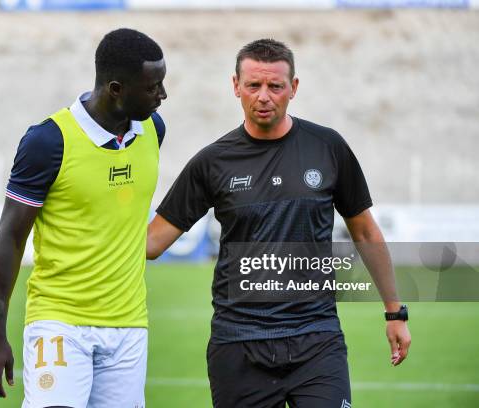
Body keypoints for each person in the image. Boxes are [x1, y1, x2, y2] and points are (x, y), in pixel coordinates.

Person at [146, 39, 411, 408]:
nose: (264, 96)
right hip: (238, 346)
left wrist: (395, 312)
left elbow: (365, 231)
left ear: (294, 88)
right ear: (236, 86)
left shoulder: (328, 147)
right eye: (253, 85)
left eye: (275, 86)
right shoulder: (212, 162)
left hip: (317, 340)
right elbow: (151, 243)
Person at [0, 28, 167, 408]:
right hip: (60, 323)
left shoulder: (153, 130)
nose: (162, 96)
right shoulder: (48, 142)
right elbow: (10, 239)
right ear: (116, 88)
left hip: (129, 327)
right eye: (153, 87)